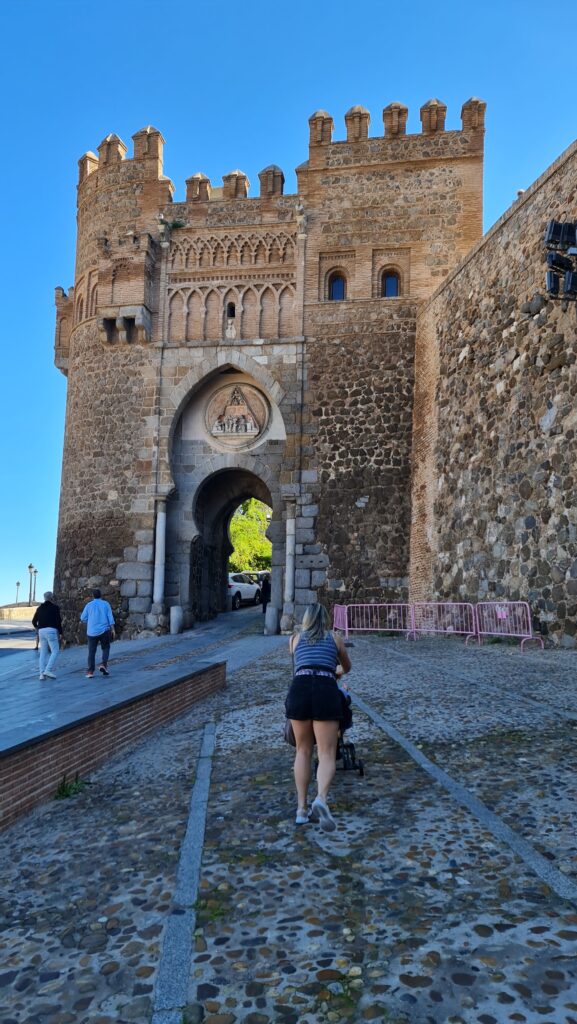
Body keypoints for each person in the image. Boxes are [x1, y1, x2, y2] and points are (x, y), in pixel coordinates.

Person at [286, 602, 351, 831]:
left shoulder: (294, 639)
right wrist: (337, 671)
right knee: (326, 753)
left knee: (302, 750)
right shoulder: (335, 638)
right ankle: (321, 799)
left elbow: (298, 664)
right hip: (325, 689)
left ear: (305, 620)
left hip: (300, 689)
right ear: (326, 619)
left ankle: (301, 810)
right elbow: (346, 666)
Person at [80, 589, 115, 678]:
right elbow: (110, 617)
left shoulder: (89, 605)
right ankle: (103, 665)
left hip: (91, 632)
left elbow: (83, 618)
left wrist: (90, 620)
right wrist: (113, 629)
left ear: (93, 596)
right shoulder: (106, 604)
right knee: (106, 648)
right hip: (104, 630)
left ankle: (90, 672)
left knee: (91, 652)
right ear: (101, 595)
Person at [32, 591, 63, 681]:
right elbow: (58, 621)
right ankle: (47, 670)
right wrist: (61, 633)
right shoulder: (55, 608)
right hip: (51, 631)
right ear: (52, 598)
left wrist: (37, 628)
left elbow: (34, 621)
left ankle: (41, 674)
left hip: (41, 631)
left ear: (44, 598)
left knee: (43, 653)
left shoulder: (39, 608)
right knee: (55, 651)